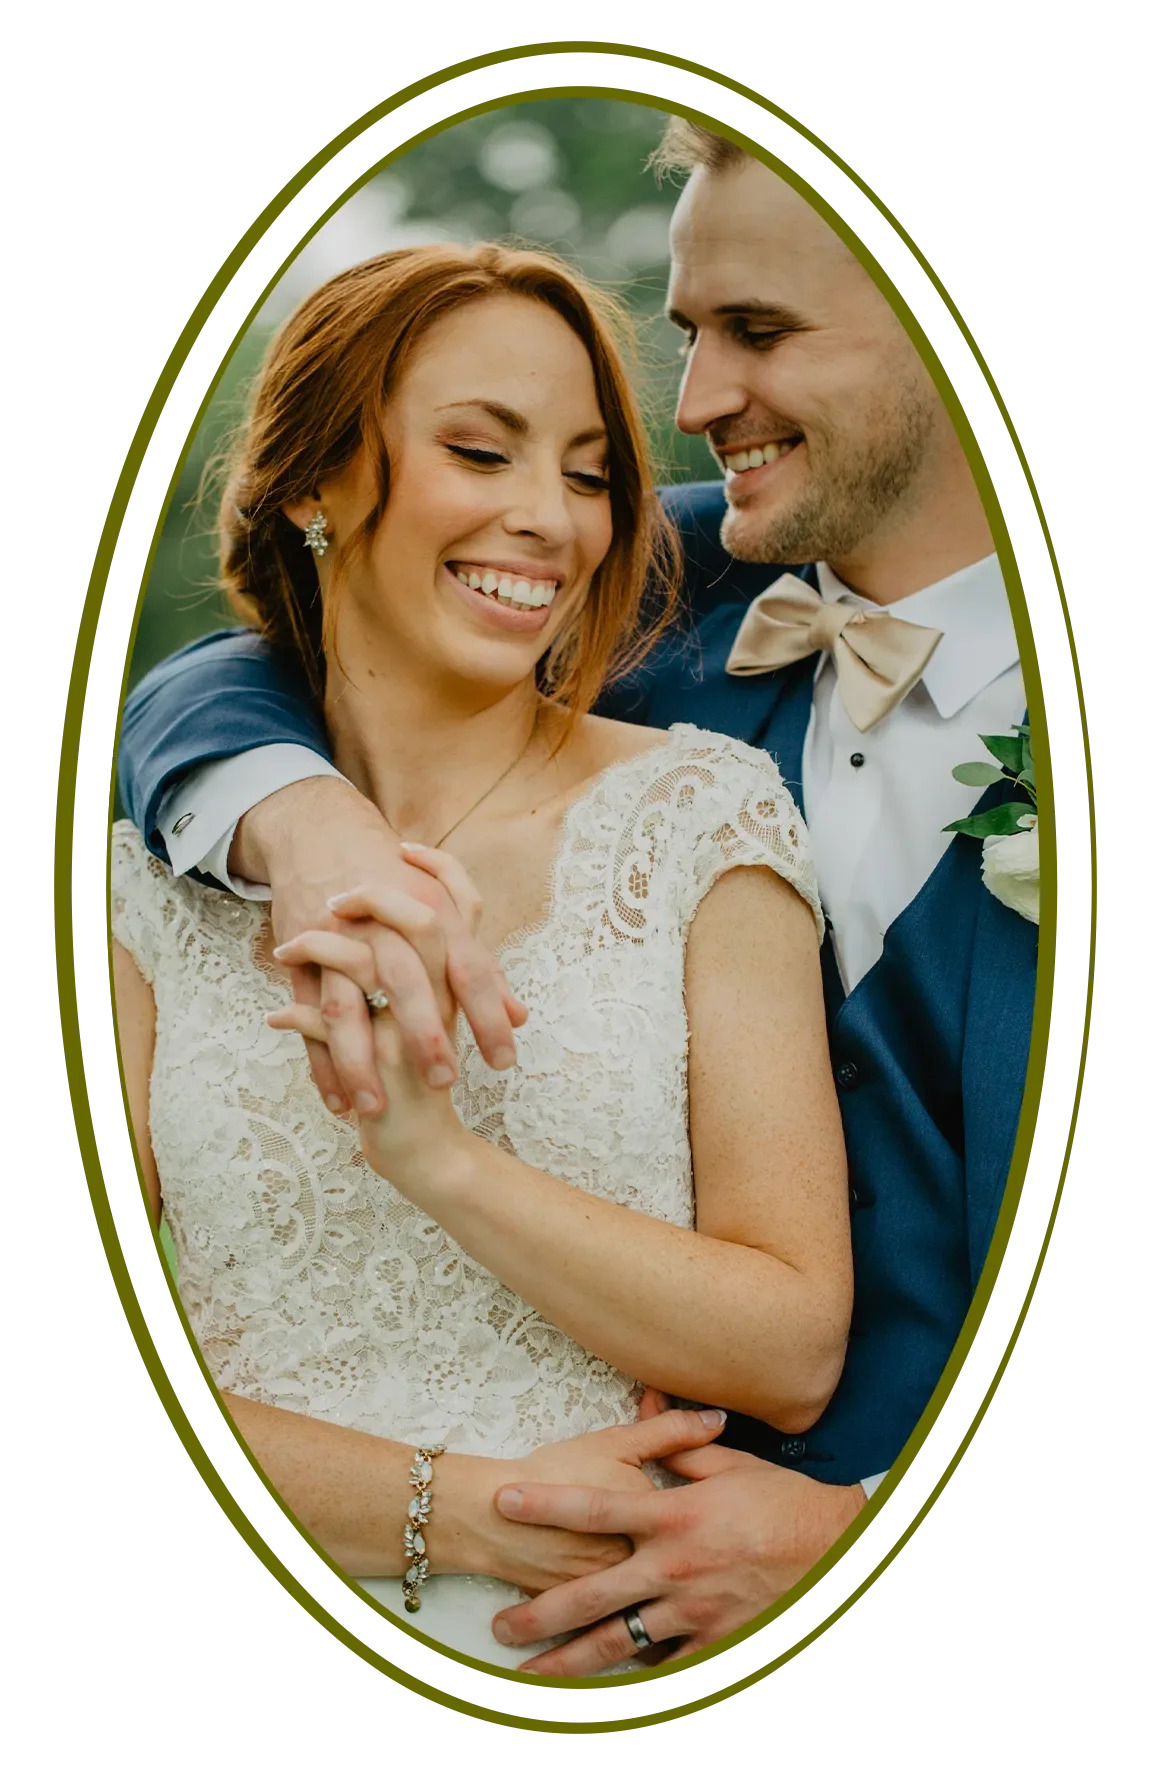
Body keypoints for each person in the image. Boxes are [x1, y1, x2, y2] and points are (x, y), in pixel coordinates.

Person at [117, 116, 1038, 1677]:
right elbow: (250, 665)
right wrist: (299, 819)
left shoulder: (676, 784)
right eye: (688, 335)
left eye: (757, 331)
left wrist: (873, 1526)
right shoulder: (669, 587)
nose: (696, 405)